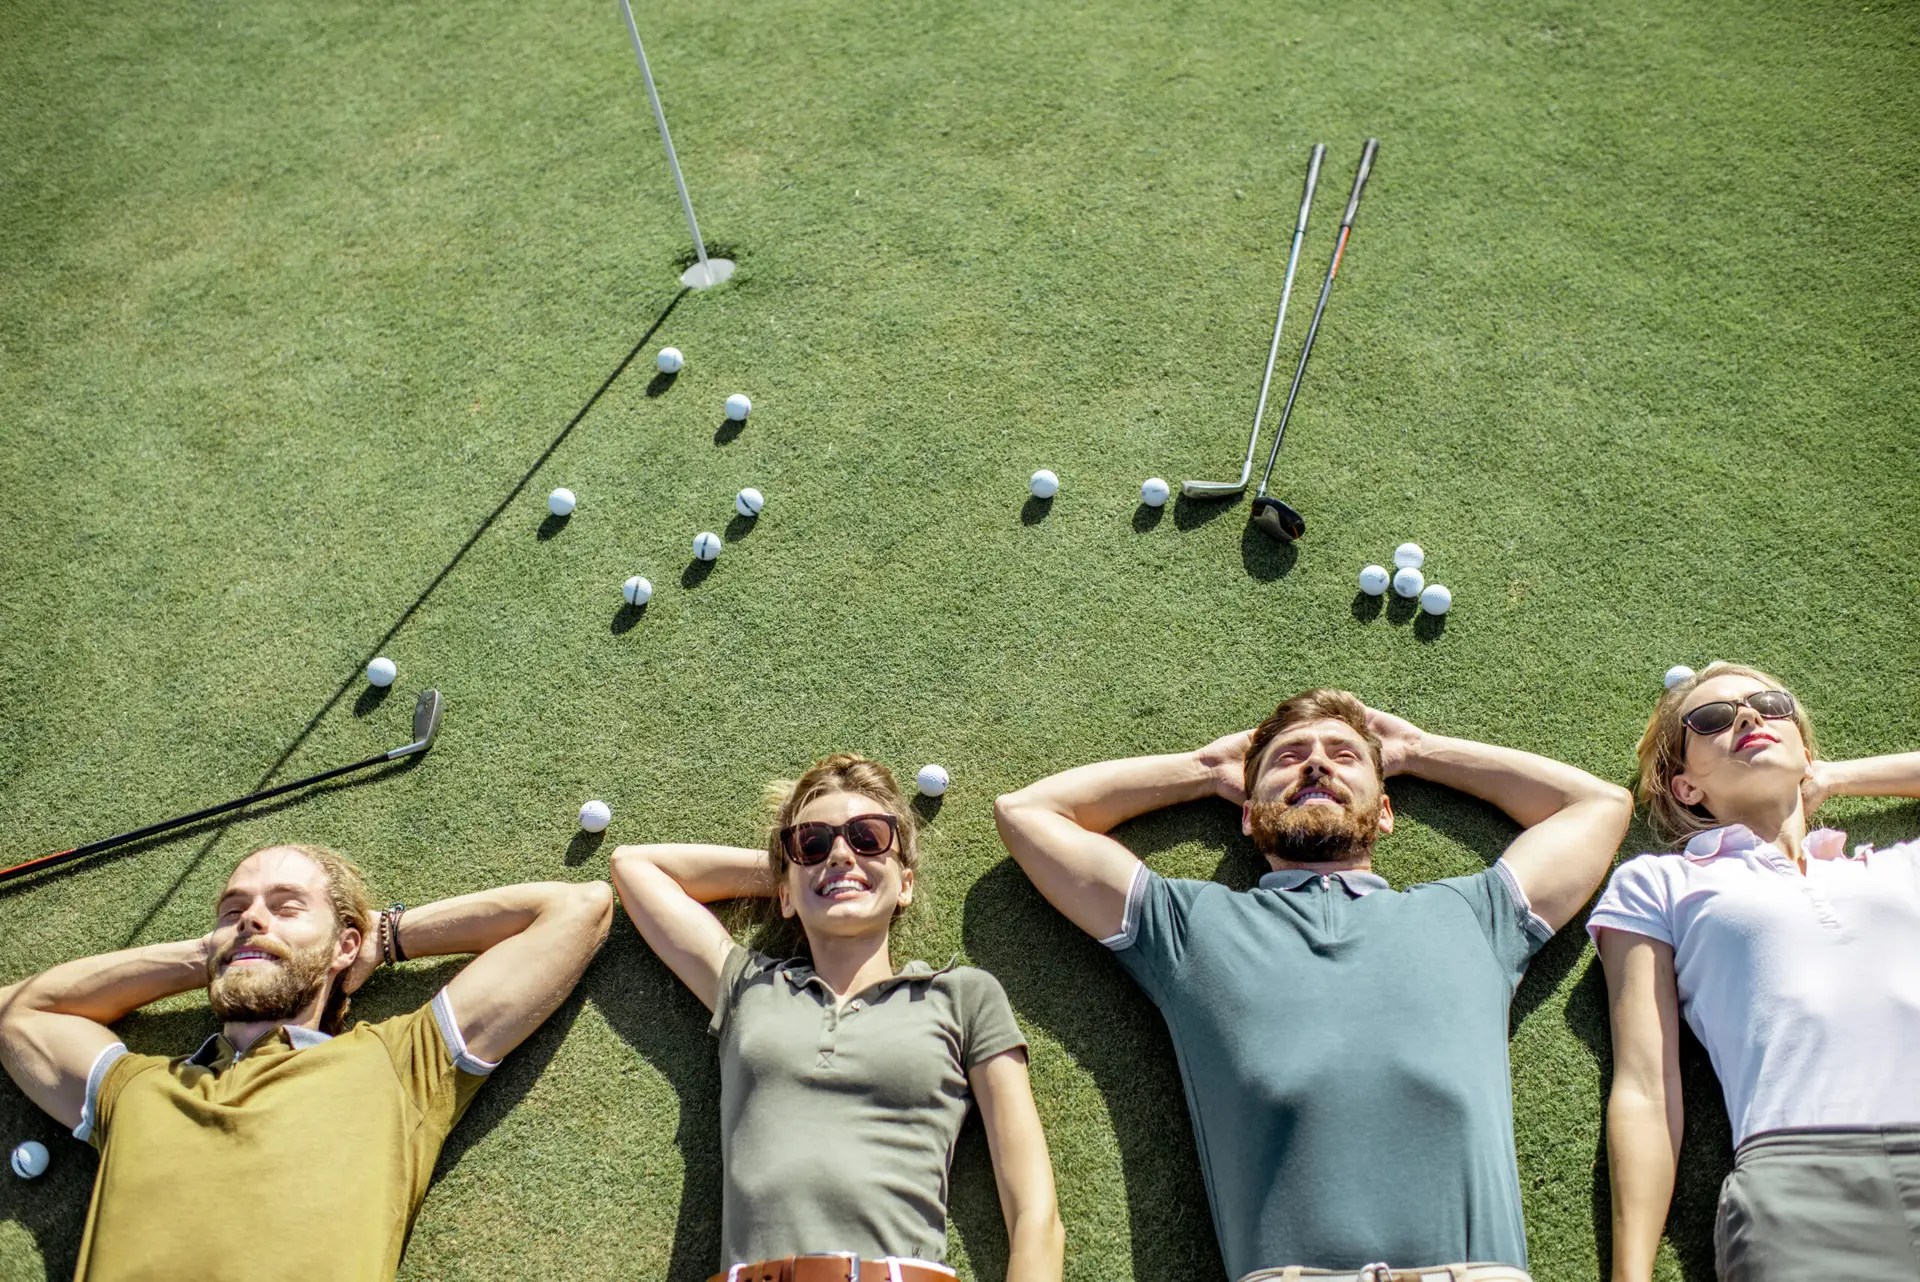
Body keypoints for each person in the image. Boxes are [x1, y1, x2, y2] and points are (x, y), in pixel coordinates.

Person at [994, 689, 1631, 1281]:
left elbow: (1599, 806)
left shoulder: (1475, 914)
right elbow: (1028, 813)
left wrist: (1416, 749)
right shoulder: (1187, 928)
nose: (1317, 765)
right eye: (1289, 758)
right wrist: (1204, 765)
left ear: (1385, 812)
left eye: (1344, 756)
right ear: (1247, 816)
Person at [0, 842, 613, 1280]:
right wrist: (223, 951)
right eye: (233, 909)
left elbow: (578, 909)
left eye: (287, 906)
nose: (251, 918)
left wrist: (386, 935)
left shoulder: (399, 1066)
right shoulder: (135, 1088)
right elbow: (20, 1015)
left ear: (344, 944)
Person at [610, 753, 1063, 1282]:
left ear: (907, 883)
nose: (842, 854)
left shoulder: (963, 997)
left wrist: (815, 872)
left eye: (868, 837)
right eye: (815, 842)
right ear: (782, 894)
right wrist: (798, 876)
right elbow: (635, 867)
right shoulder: (747, 987)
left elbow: (1035, 1213)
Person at [1588, 663, 1920, 1282]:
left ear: (1804, 747)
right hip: (1803, 1187)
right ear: (1687, 788)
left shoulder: (1901, 870)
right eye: (1711, 719)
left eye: (1769, 704)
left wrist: (1837, 777)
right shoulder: (1661, 883)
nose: (1747, 717)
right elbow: (1645, 1087)